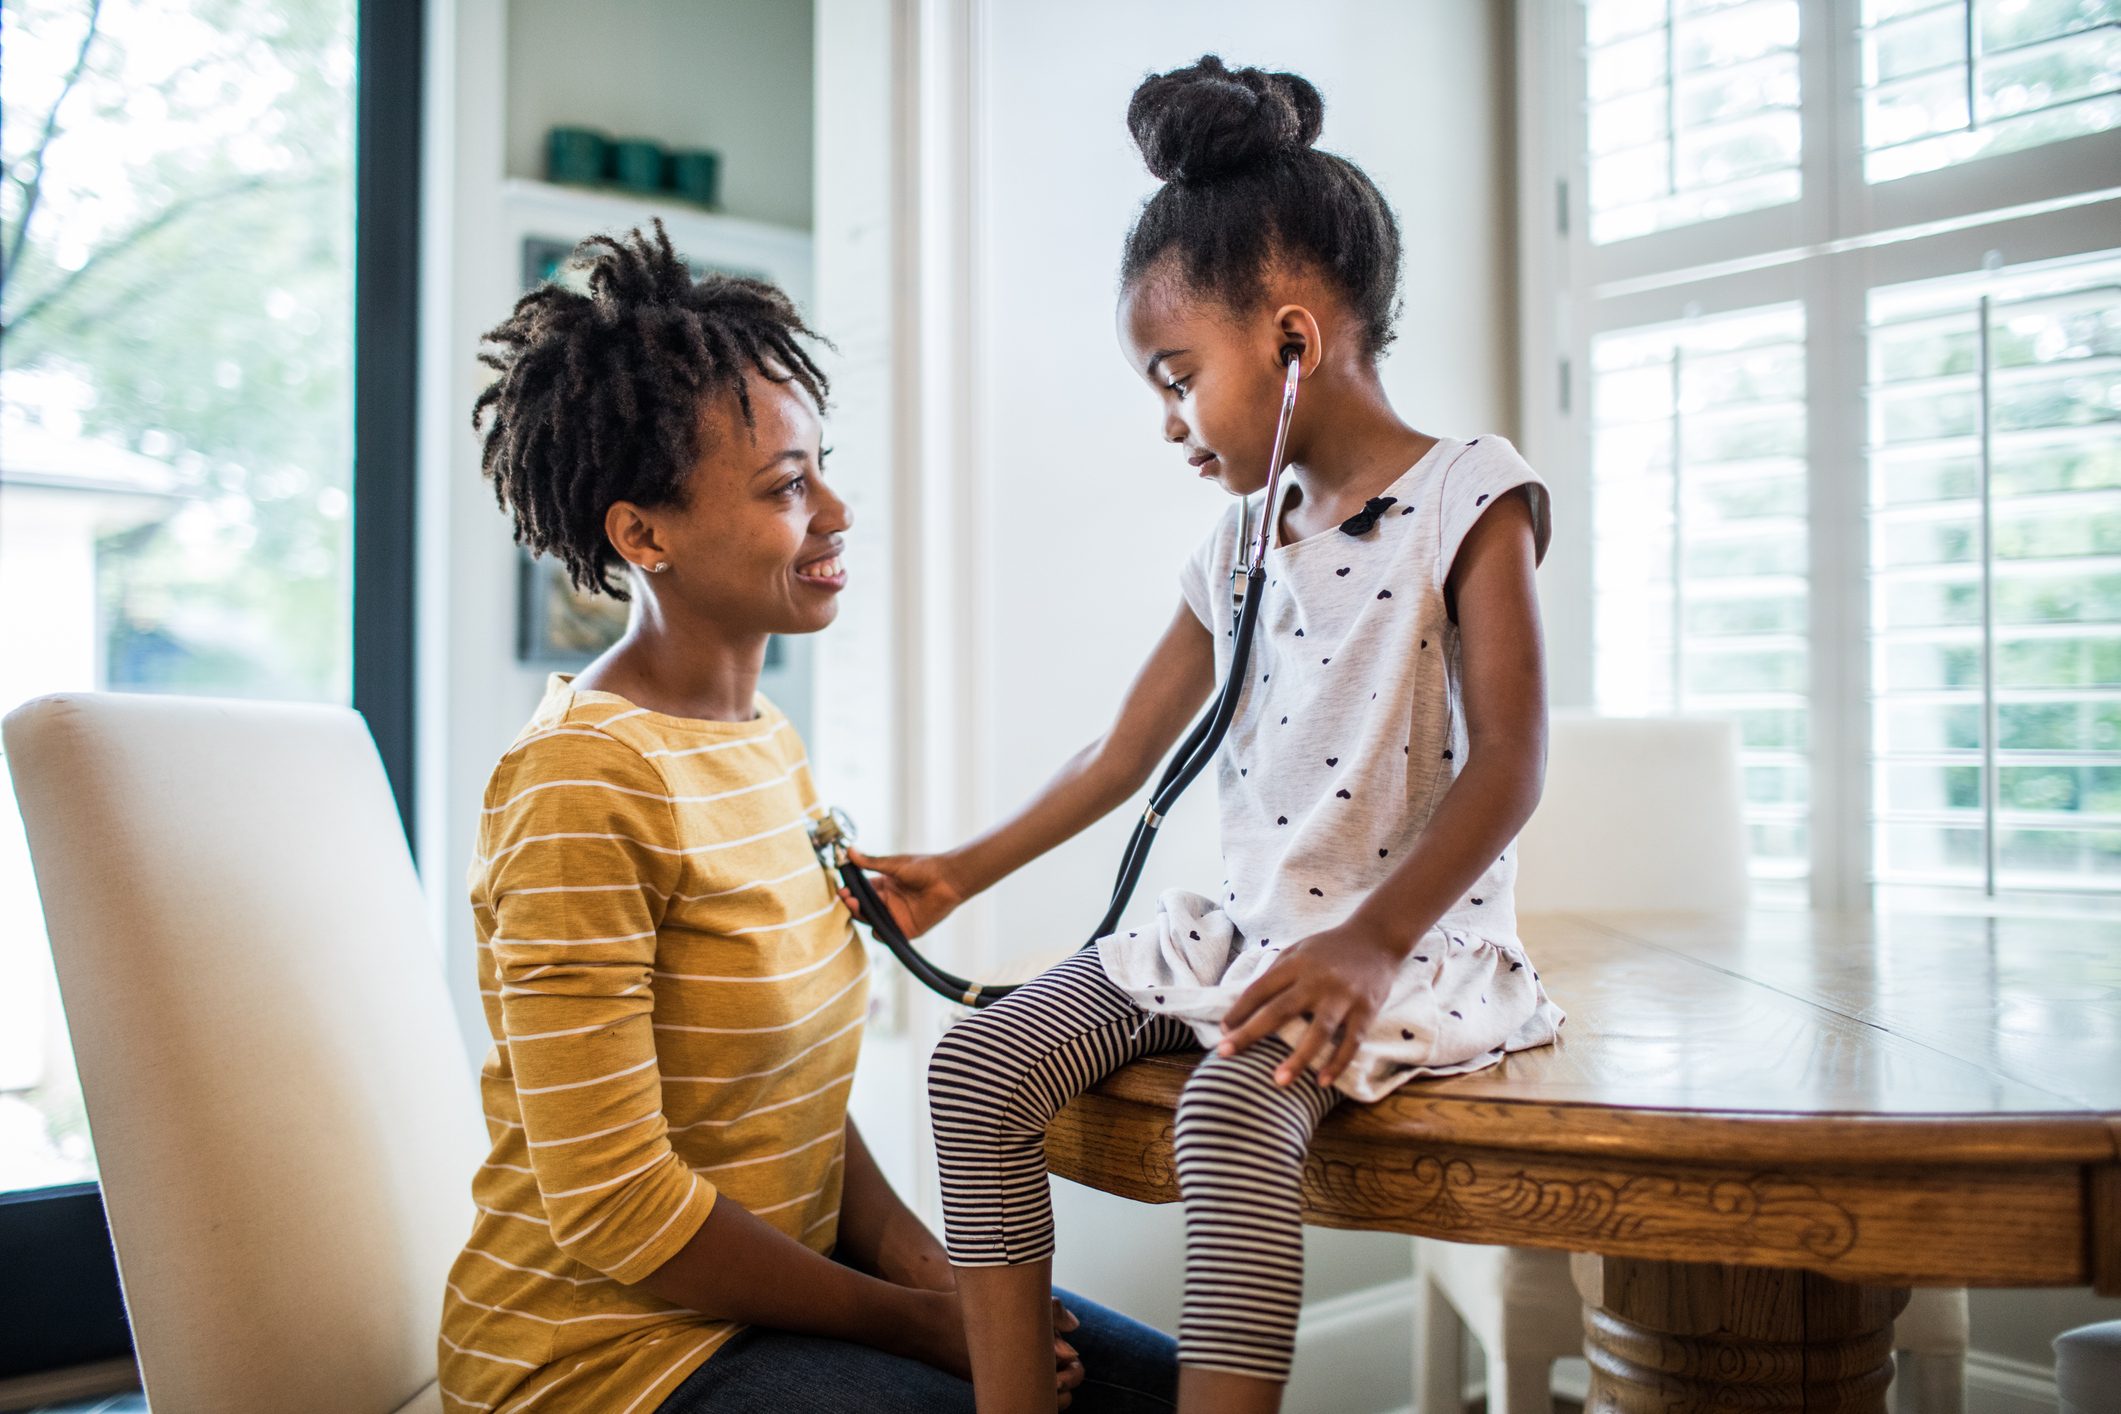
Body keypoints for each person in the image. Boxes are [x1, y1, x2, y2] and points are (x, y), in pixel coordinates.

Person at [851, 56, 1565, 1414]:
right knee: (974, 1067)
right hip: (1244, 925)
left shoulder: (1469, 493)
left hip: (1403, 938)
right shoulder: (1239, 540)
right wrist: (960, 871)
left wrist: (1369, 939)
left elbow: (1513, 759)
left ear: (1292, 340)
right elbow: (1119, 754)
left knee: (1230, 1115)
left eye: (1177, 377)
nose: (1169, 422)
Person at [437, 222, 1178, 1413]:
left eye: (820, 465)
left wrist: (949, 1278)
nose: (835, 508)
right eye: (787, 485)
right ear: (644, 534)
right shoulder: (582, 783)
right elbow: (615, 1203)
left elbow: (791, 1108)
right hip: (601, 1362)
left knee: (1168, 1391)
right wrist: (927, 1328)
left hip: (760, 1309)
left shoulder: (761, 745)